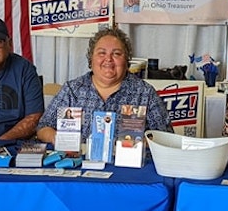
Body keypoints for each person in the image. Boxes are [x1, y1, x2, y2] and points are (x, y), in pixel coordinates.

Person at [37, 27, 172, 144]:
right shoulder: (72, 90)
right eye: (102, 53)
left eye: (116, 54)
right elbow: (43, 127)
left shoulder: (145, 93)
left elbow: (165, 136)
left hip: (128, 167)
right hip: (78, 164)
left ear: (126, 60)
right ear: (91, 59)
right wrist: (57, 138)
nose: (108, 59)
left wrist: (139, 144)